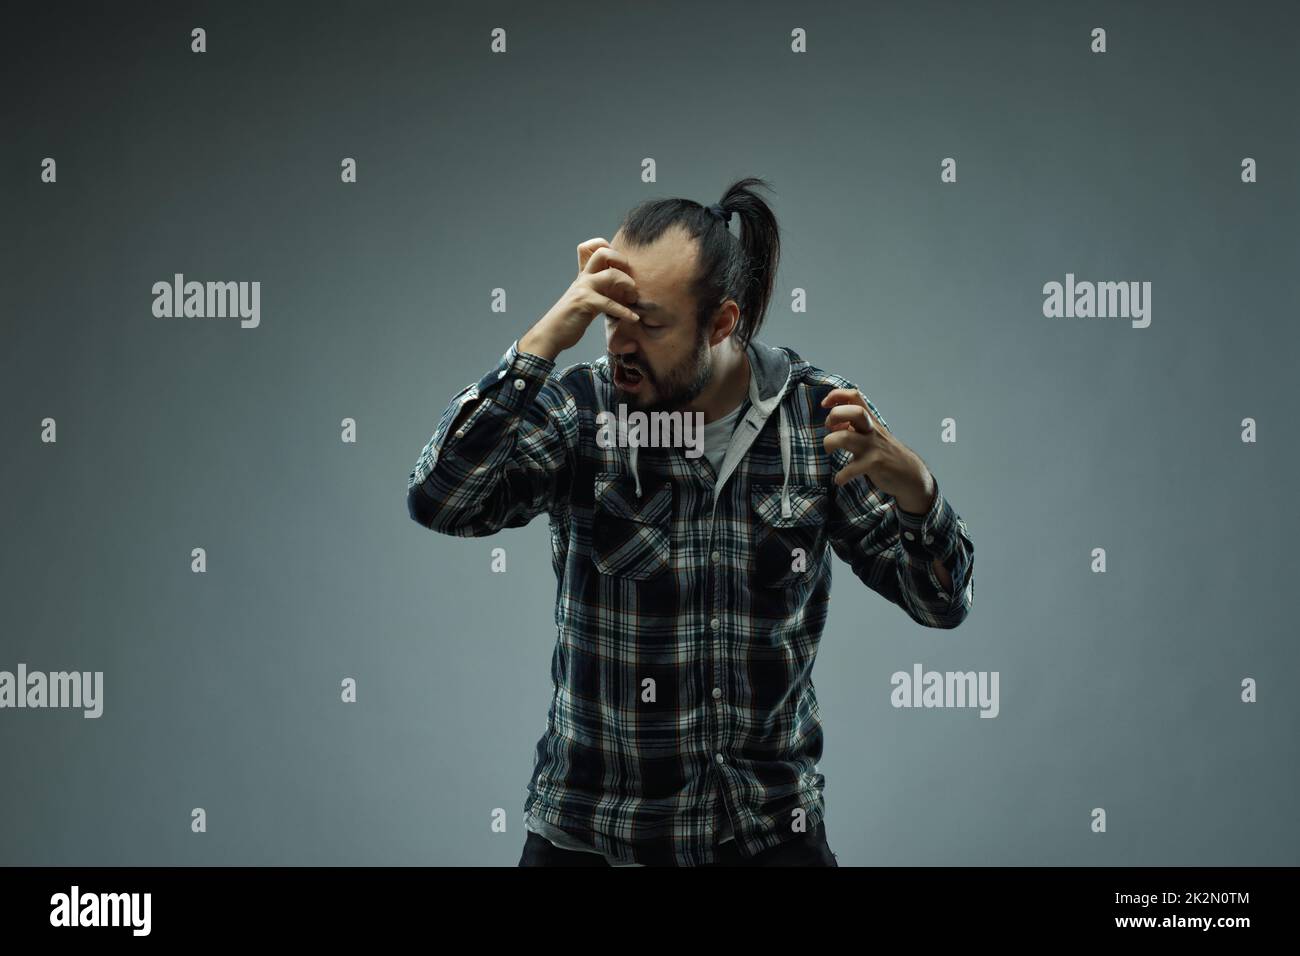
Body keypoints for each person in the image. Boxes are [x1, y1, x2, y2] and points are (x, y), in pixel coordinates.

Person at [407, 176, 975, 867]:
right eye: (610, 314)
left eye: (648, 323)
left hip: (768, 839)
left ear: (721, 324)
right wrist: (544, 339)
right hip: (593, 842)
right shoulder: (583, 411)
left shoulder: (817, 419)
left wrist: (918, 490)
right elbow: (441, 498)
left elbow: (940, 602)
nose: (619, 342)